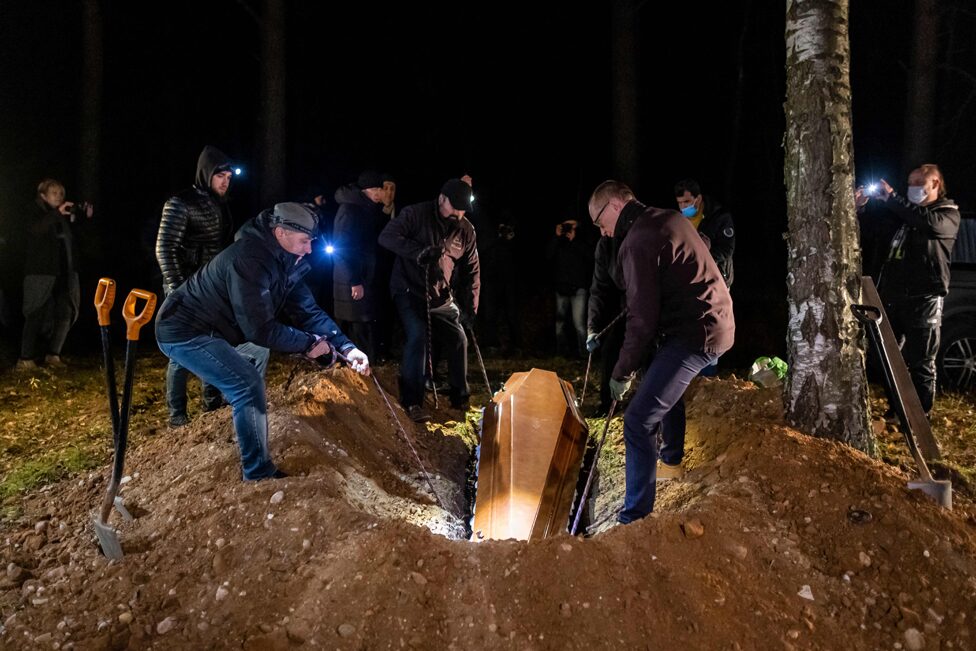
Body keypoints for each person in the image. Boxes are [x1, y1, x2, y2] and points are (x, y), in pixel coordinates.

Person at [155, 202, 370, 481]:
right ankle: (257, 472)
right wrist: (307, 344)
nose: (309, 249)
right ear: (281, 233)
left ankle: (242, 424)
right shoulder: (250, 260)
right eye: (305, 241)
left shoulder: (285, 261)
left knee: (256, 358)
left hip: (218, 329)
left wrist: (346, 347)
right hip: (183, 330)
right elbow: (259, 329)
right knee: (246, 383)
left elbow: (307, 311)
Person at [587, 180, 734, 524]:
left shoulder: (637, 242)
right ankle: (669, 463)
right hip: (708, 321)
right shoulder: (665, 219)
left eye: (600, 222)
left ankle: (635, 517)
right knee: (659, 390)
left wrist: (621, 373)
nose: (604, 233)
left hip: (696, 332)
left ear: (613, 206)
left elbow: (641, 320)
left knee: (638, 420)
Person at [856, 164, 960, 415]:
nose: (912, 188)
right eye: (910, 183)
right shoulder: (902, 215)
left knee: (921, 362)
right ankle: (897, 411)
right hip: (892, 297)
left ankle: (920, 416)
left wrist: (892, 199)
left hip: (925, 298)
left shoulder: (947, 213)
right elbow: (874, 233)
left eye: (918, 183)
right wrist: (860, 206)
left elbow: (927, 223)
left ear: (935, 184)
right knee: (886, 358)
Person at [378, 178, 480, 422]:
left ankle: (459, 395)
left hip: (440, 296)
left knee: (458, 337)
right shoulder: (415, 214)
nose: (458, 212)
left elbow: (472, 270)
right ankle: (413, 401)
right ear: (441, 198)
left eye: (462, 208)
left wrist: (470, 305)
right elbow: (387, 237)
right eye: (454, 206)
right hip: (409, 290)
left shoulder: (465, 230)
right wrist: (418, 252)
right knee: (418, 335)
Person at [155, 146, 238, 427]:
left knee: (213, 344)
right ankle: (177, 415)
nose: (225, 181)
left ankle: (211, 404)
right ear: (206, 175)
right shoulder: (181, 202)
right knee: (181, 351)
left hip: (211, 287)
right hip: (185, 288)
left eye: (228, 176)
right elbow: (165, 247)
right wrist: (179, 288)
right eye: (220, 176)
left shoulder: (221, 204)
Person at [17, 179, 92, 369]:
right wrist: (56, 214)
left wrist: (83, 218)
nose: (59, 196)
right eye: (54, 193)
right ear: (43, 195)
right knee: (35, 312)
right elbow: (35, 230)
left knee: (65, 312)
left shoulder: (63, 215)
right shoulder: (34, 212)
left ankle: (53, 355)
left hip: (65, 272)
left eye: (61, 193)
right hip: (41, 272)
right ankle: (25, 358)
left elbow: (77, 241)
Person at [332, 170, 390, 360]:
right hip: (352, 280)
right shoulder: (351, 210)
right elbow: (343, 247)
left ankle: (359, 369)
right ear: (373, 190)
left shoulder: (366, 209)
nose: (385, 194)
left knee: (360, 324)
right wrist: (354, 280)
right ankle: (359, 370)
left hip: (361, 277)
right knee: (357, 326)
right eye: (383, 189)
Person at [546, 216, 594, 358]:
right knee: (559, 324)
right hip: (561, 288)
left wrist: (574, 240)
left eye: (572, 226)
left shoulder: (582, 241)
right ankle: (561, 353)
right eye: (566, 226)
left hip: (578, 288)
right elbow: (548, 255)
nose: (568, 229)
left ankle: (585, 356)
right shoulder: (559, 242)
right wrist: (556, 237)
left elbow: (590, 257)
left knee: (579, 323)